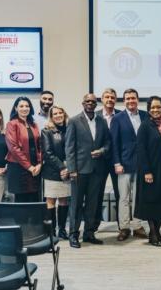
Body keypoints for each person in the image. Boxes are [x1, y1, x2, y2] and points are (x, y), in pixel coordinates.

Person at [65, 93, 112, 248]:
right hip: (79, 170)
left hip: (97, 170)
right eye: (87, 101)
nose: (90, 103)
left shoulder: (102, 121)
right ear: (83, 103)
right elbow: (69, 148)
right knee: (76, 204)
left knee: (93, 204)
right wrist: (72, 170)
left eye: (93, 101)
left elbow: (107, 142)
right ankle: (73, 235)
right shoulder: (73, 121)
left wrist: (103, 151)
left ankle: (89, 234)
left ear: (96, 104)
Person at [134, 96, 161, 247]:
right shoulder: (144, 126)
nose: (156, 110)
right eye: (153, 108)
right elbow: (141, 150)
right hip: (149, 168)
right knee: (150, 201)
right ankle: (154, 233)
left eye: (158, 107)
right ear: (149, 110)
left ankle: (155, 232)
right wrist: (146, 171)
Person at [110, 88, 148, 241]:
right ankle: (124, 227)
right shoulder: (117, 118)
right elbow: (114, 143)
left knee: (139, 198)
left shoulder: (145, 116)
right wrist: (117, 163)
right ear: (124, 101)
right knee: (124, 198)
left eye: (133, 98)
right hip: (124, 165)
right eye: (128, 98)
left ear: (137, 100)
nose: (131, 101)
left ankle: (138, 226)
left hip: (141, 164)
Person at [41, 105, 71, 239]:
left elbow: (73, 150)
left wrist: (68, 167)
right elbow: (48, 153)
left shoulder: (70, 128)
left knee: (64, 201)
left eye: (60, 112)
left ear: (64, 114)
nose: (58, 115)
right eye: (55, 114)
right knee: (51, 202)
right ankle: (51, 231)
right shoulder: (46, 131)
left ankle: (62, 230)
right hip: (52, 172)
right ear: (51, 117)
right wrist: (62, 167)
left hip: (67, 171)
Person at [5, 97, 42, 202]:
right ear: (16, 108)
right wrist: (29, 167)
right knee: (21, 202)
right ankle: (21, 220)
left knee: (34, 199)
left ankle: (34, 219)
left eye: (27, 106)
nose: (24, 108)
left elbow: (39, 145)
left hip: (35, 168)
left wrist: (39, 164)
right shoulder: (12, 124)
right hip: (19, 168)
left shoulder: (33, 125)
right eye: (21, 106)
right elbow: (13, 148)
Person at [95, 87, 121, 231]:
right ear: (102, 99)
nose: (110, 99)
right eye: (107, 97)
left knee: (120, 194)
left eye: (112, 97)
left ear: (115, 100)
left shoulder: (122, 116)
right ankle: (95, 224)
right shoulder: (95, 115)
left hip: (117, 160)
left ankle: (121, 225)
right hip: (100, 161)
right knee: (97, 193)